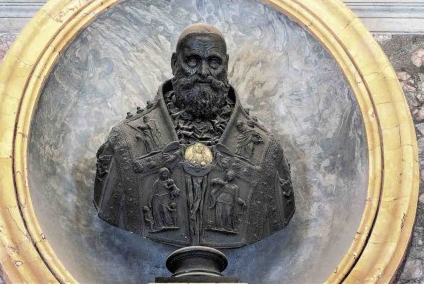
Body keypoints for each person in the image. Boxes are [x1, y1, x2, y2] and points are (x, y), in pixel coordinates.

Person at [94, 23, 295, 248]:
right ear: (174, 63)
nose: (203, 72)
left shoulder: (266, 152)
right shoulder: (125, 143)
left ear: (226, 65)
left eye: (214, 62)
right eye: (192, 60)